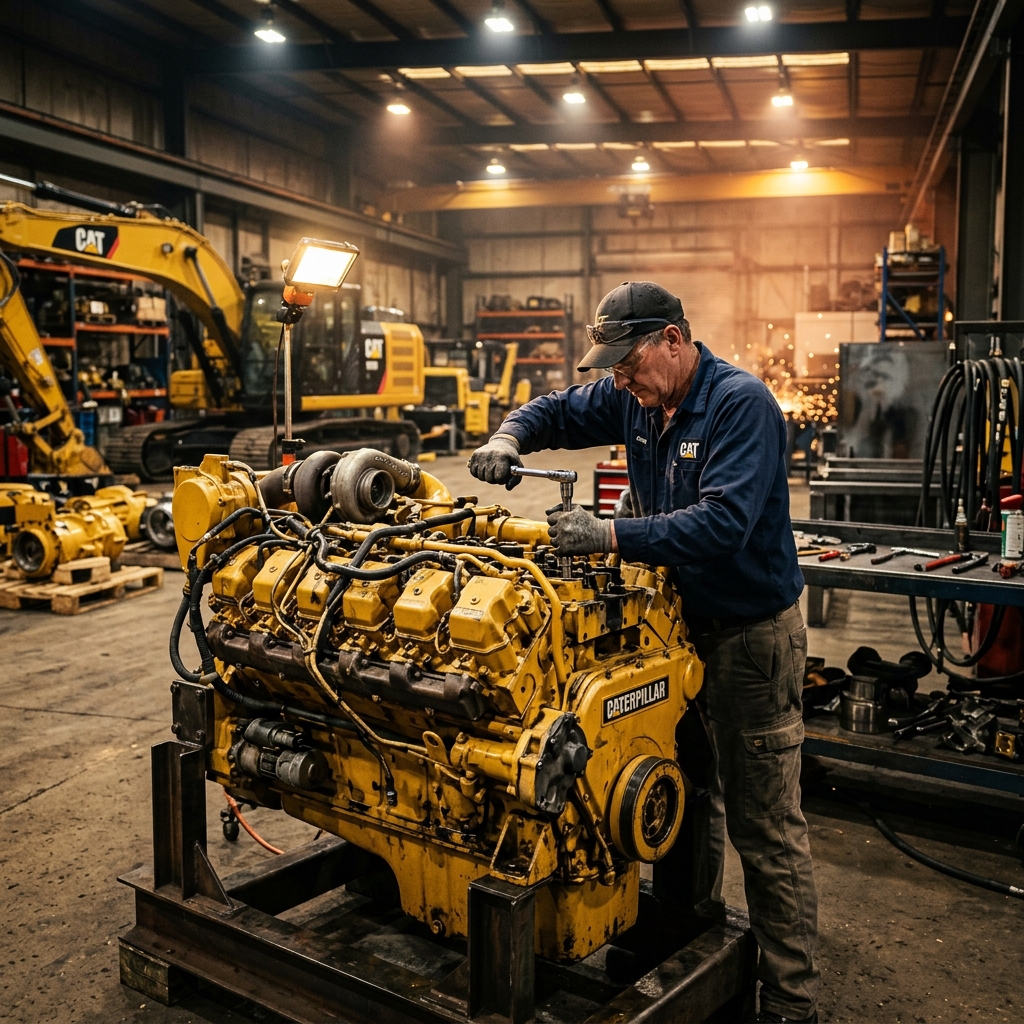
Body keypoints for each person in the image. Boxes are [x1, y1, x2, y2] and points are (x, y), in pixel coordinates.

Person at [468, 281, 819, 1024]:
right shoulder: (636, 395)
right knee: (683, 788)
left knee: (767, 822)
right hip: (673, 632)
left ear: (672, 338)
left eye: (629, 362)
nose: (620, 380)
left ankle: (791, 1001)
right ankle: (688, 927)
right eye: (614, 368)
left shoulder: (740, 404)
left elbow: (721, 523)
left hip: (749, 638)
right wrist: (509, 435)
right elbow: (559, 408)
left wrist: (611, 535)